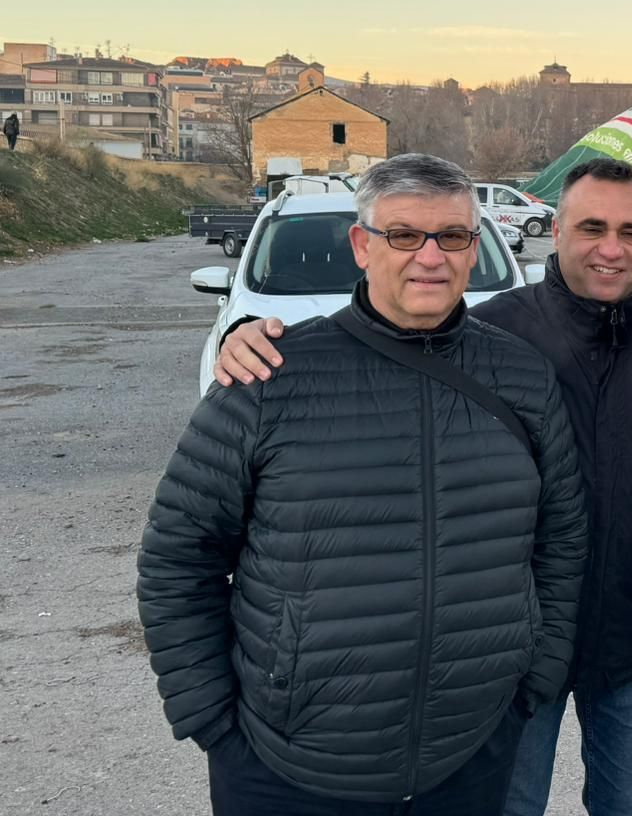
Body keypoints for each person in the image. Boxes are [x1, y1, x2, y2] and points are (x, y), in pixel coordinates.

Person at [212, 156, 632, 816]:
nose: (611, 249)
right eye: (592, 228)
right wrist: (253, 338)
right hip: (513, 644)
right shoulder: (495, 332)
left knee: (629, 806)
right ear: (556, 230)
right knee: (512, 805)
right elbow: (381, 339)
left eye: (631, 231)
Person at [137, 153, 588, 814]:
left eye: (452, 236)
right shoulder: (269, 378)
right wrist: (211, 719)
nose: (429, 257)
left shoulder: (521, 376)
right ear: (361, 245)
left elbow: (562, 539)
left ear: (474, 247)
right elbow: (179, 558)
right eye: (403, 235)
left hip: (469, 754)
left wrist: (532, 682)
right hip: (285, 767)